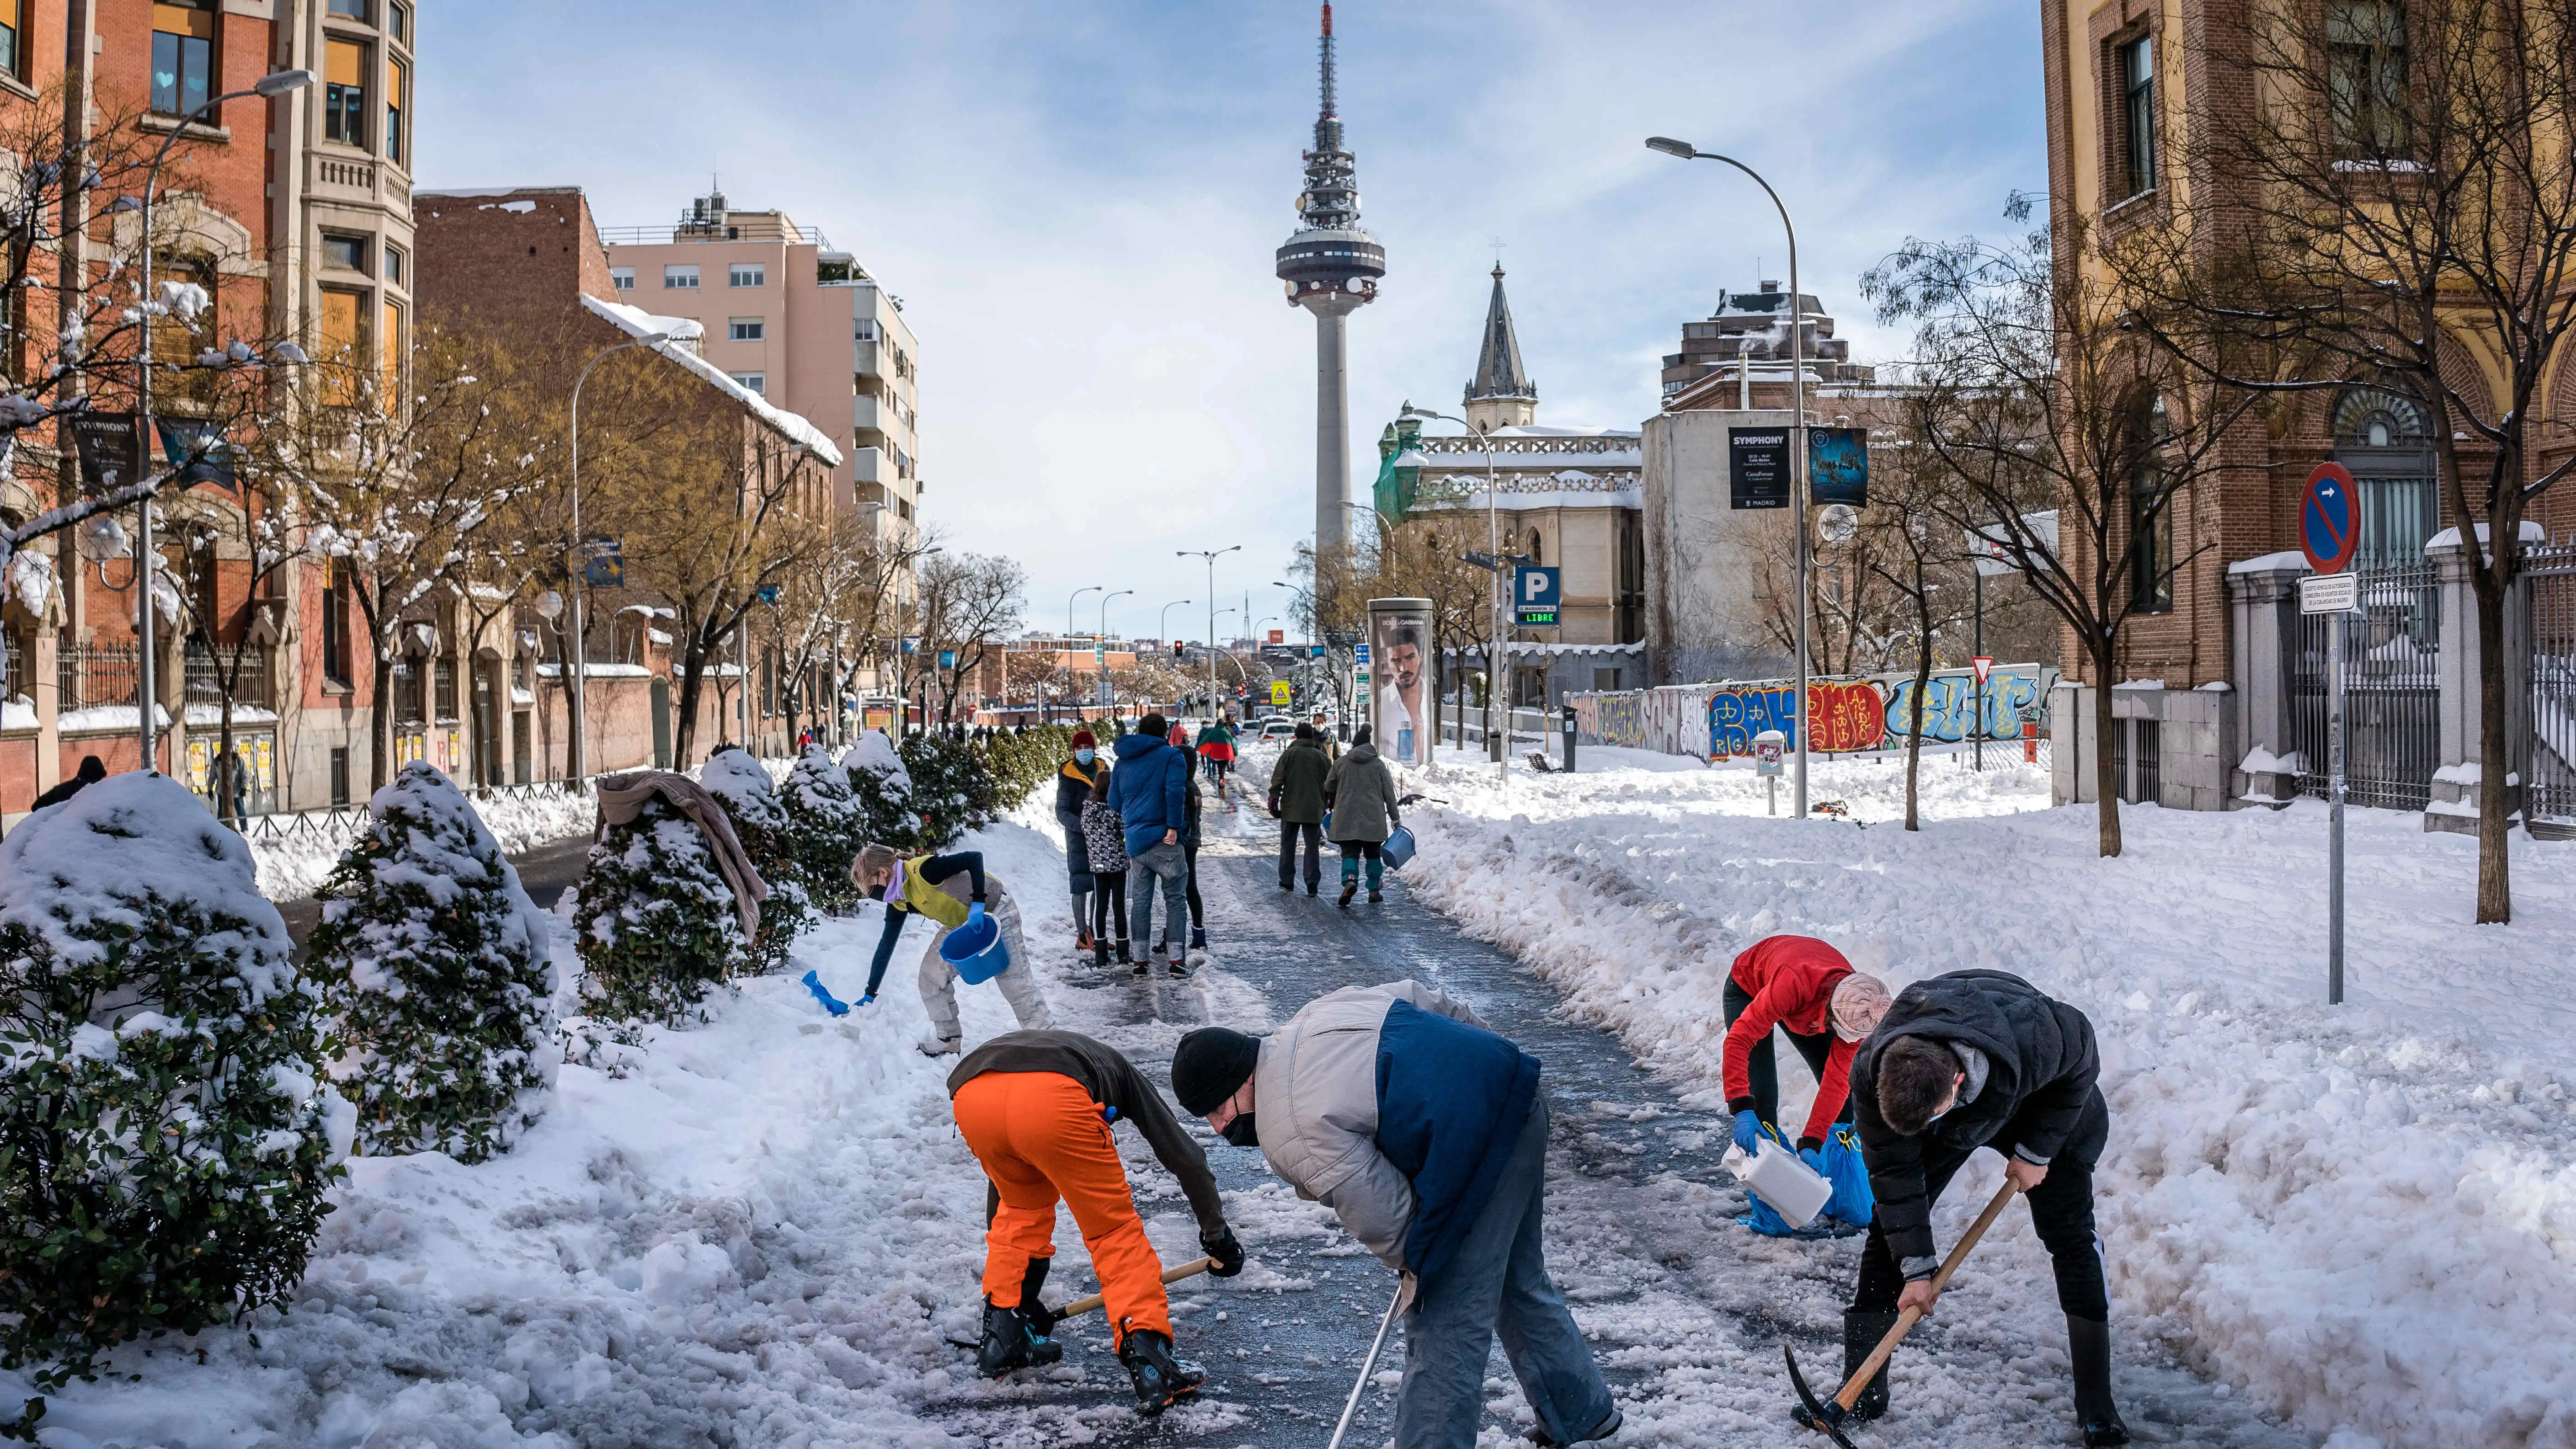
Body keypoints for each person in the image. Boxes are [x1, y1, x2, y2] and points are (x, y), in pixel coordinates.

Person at [1172, 985, 1620, 1449]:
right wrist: (1490, 1074)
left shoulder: (1289, 1128)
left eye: (1218, 1109)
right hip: (1515, 1097)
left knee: (1442, 1318)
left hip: (1474, 1147)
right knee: (1515, 1275)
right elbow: (1434, 1003)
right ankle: (1583, 1413)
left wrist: (1420, 1265)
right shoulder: (1312, 1016)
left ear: (1241, 1078)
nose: (1220, 1127)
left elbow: (1387, 1217)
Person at [1826, 970, 2128, 1447]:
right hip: (1948, 1112)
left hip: (2041, 1100)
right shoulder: (1874, 1070)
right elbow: (1894, 1178)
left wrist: (2037, 1150)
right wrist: (1917, 1269)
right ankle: (1860, 1390)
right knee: (1889, 1229)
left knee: (2068, 1233)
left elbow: (2082, 1053)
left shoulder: (2038, 1033)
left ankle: (2097, 1406)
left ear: (1956, 1083)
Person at [948, 1028, 1244, 1416]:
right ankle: (1151, 1365)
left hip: (972, 1093)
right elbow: (1186, 1158)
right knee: (1112, 1230)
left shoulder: (1057, 1054)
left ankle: (1002, 1340)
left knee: (1020, 1210)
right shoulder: (1123, 1073)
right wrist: (1217, 1234)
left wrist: (1017, 1300)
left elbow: (1007, 1197)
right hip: (1053, 1098)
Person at [853, 843, 1052, 1057]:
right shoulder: (899, 900)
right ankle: (948, 1039)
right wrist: (870, 992)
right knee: (931, 975)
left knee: (1013, 980)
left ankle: (1047, 1042)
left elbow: (974, 858)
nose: (873, 895)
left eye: (871, 887)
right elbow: (887, 944)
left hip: (995, 908)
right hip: (960, 922)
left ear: (884, 872)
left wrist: (977, 903)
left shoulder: (925, 871)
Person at [1722, 936, 1893, 1159]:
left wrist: (1813, 1141)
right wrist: (1741, 1107)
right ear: (1830, 1015)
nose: (1848, 1040)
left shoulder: (1862, 1009)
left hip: (1806, 1001)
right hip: (1750, 985)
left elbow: (1837, 1082)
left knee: (1844, 1101)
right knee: (1760, 1091)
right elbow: (1739, 1040)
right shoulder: (1794, 985)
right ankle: (1768, 1169)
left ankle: (1836, 1164)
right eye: (1843, 1032)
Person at [1106, 711, 1192, 976]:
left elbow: (1114, 802)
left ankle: (1140, 962)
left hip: (1136, 842)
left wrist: (1134, 821)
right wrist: (1173, 826)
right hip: (1165, 839)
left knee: (1140, 903)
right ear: (1165, 733)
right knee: (1175, 900)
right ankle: (1176, 962)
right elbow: (1176, 791)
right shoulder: (1172, 756)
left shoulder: (1122, 762)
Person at [1323, 722, 1401, 907]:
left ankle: (1350, 879)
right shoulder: (1378, 765)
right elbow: (1389, 793)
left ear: (1354, 745)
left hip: (1346, 815)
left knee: (1349, 852)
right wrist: (1395, 817)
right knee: (1373, 854)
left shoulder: (1341, 762)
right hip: (1373, 817)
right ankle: (1374, 890)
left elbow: (1328, 786)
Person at [1055, 731, 1107, 951]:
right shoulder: (1068, 775)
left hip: (1103, 838)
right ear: (1073, 750)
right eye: (1080, 747)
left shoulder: (1104, 770)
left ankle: (1095, 932)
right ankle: (1082, 934)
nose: (1084, 750)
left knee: (1099, 885)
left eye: (1088, 746)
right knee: (1079, 884)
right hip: (1078, 838)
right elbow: (1062, 811)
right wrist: (1083, 826)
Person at [1268, 722, 1330, 895]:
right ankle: (1312, 883)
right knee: (1312, 846)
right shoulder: (1321, 756)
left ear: (1296, 736)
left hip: (1291, 808)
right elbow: (1330, 782)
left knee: (1288, 844)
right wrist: (1328, 800)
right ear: (1312, 736)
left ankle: (1287, 881)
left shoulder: (1289, 754)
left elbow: (1278, 779)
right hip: (1314, 808)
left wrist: (1274, 798)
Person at [1081, 764, 1132, 968]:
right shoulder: (1115, 810)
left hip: (1098, 866)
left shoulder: (1088, 810)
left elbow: (1084, 832)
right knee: (1119, 908)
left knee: (1100, 908)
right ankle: (1123, 952)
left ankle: (1101, 953)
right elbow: (1125, 832)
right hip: (1118, 865)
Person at [1194, 712, 1238, 810]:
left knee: (1220, 767)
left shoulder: (1213, 732)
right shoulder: (1227, 732)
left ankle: (1221, 779)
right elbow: (1233, 742)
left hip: (1216, 754)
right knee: (1223, 767)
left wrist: (1199, 747)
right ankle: (1221, 780)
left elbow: (1205, 740)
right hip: (1226, 753)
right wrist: (1235, 752)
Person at [32, 755, 107, 811]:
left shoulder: (64, 789)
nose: (100, 781)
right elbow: (37, 806)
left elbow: (36, 806)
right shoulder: (96, 792)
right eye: (99, 778)